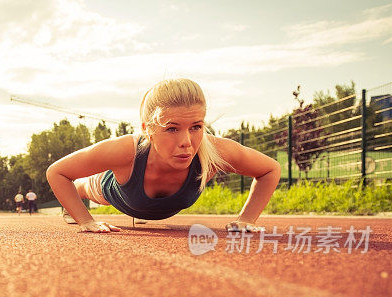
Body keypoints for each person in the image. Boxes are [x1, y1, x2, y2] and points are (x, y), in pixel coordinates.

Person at [46, 78, 280, 233]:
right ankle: (83, 188)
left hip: (146, 202)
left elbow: (270, 169)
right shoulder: (125, 150)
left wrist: (246, 220)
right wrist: (86, 220)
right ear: (147, 128)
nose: (186, 143)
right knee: (88, 188)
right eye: (172, 128)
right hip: (116, 190)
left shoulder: (216, 152)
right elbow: (57, 172)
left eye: (196, 126)